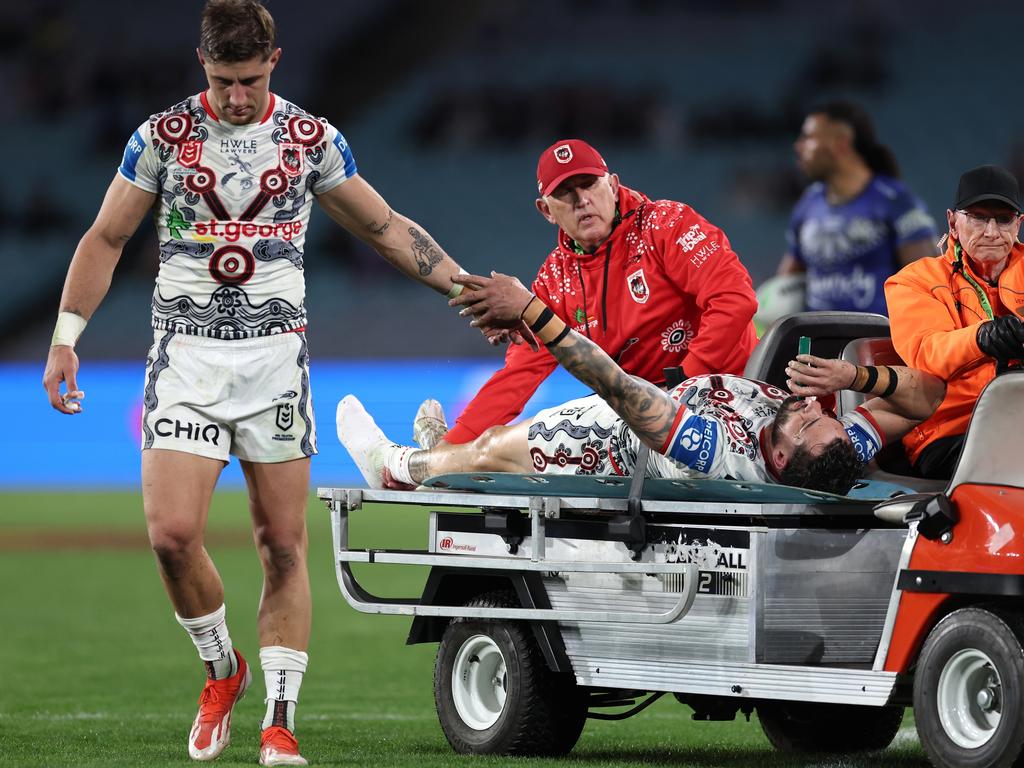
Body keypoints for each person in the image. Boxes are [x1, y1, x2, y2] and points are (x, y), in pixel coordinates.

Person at [39, 2, 482, 764]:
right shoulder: (162, 137)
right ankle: (223, 670)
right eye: (221, 80)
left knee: (282, 544)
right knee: (172, 537)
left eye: (248, 80)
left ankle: (281, 721)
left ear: (273, 60)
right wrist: (65, 338)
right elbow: (106, 237)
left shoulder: (310, 140)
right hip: (186, 360)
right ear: (200, 63)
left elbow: (381, 226)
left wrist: (463, 286)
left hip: (275, 365)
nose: (235, 97)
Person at [340, 273, 944, 495]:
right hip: (665, 405)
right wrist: (861, 378)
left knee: (494, 450)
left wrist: (534, 313)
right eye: (829, 414)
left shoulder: (717, 451)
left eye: (810, 419)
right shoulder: (837, 449)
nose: (818, 408)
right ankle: (442, 454)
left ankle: (401, 467)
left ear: (779, 456)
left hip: (620, 441)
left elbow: (617, 386)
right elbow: (928, 398)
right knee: (491, 441)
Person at [421, 138, 759, 449]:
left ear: (612, 186)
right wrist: (453, 445)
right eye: (565, 193)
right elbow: (519, 375)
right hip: (645, 423)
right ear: (546, 210)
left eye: (589, 185)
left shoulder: (667, 225)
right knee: (541, 439)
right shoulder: (555, 280)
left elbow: (734, 299)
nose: (582, 200)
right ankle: (440, 455)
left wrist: (684, 385)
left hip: (727, 399)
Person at [885, 165, 1024, 479]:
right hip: (950, 431)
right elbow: (926, 351)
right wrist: (982, 338)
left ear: (1018, 225)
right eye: (978, 217)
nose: (991, 231)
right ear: (953, 222)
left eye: (1003, 219)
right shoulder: (914, 281)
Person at [777, 101, 937, 315]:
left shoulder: (896, 202)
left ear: (841, 144)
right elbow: (785, 284)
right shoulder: (808, 203)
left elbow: (928, 286)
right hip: (813, 341)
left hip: (874, 342)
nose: (798, 146)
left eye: (808, 137)